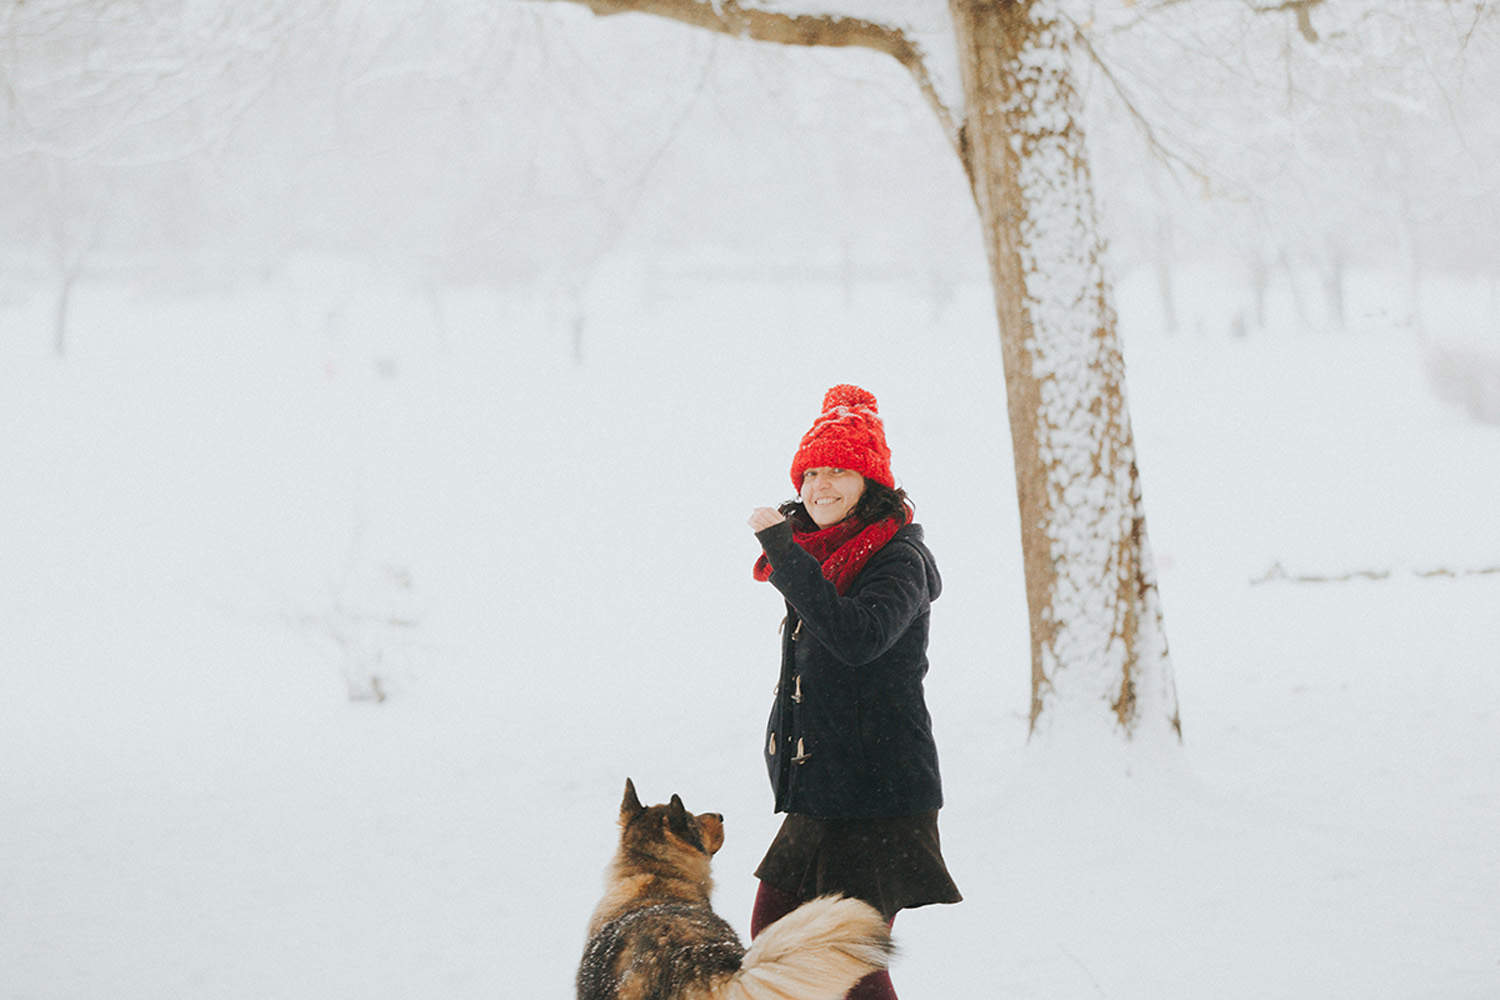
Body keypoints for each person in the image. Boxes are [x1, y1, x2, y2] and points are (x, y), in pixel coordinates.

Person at [745, 384, 961, 1000]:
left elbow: (858, 637)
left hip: (881, 796)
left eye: (839, 470)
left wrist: (786, 558)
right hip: (824, 796)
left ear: (872, 482)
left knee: (849, 967)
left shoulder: (899, 562)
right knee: (773, 942)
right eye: (811, 472)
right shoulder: (823, 556)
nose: (821, 485)